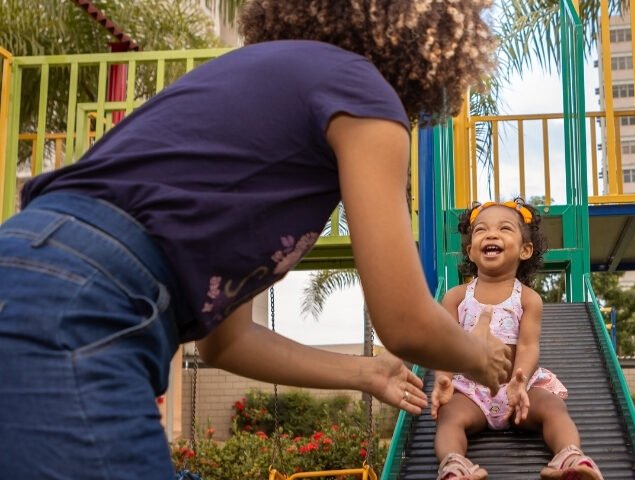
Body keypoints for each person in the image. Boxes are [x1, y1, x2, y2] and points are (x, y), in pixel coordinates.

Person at [0, 1, 513, 478]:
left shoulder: (250, 78)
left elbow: (227, 342)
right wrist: (479, 356)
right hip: (86, 303)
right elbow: (405, 322)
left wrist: (365, 373)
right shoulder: (361, 91)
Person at [431, 200, 604, 480]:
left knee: (553, 407)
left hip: (518, 391)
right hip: (472, 393)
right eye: (481, 230)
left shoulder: (528, 299)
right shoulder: (455, 297)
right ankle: (455, 465)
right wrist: (443, 377)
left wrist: (521, 381)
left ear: (525, 250)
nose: (491, 234)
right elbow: (444, 346)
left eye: (504, 228)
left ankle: (570, 457)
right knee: (449, 418)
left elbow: (527, 345)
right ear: (470, 251)